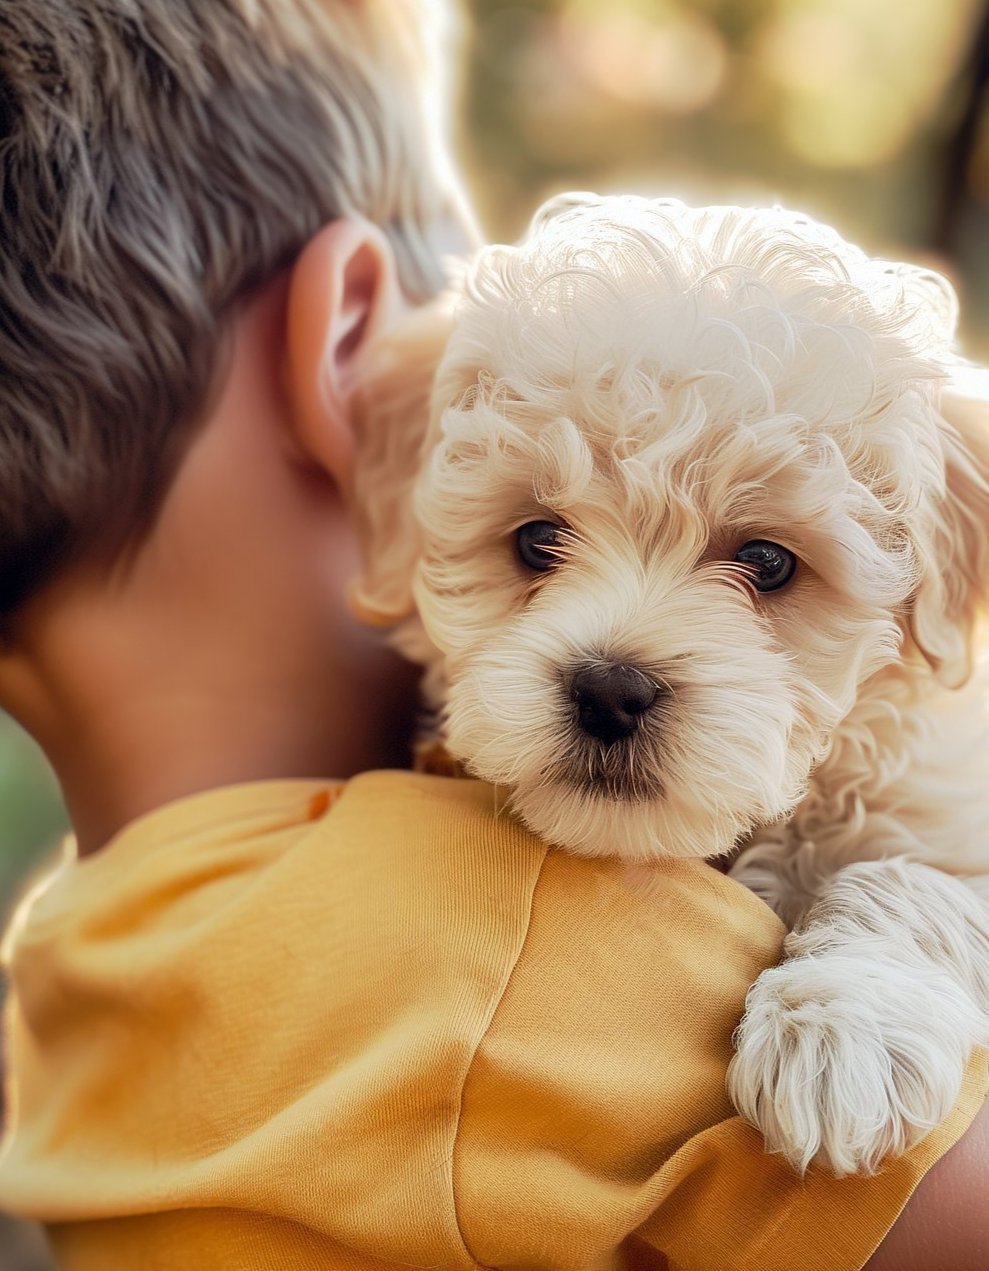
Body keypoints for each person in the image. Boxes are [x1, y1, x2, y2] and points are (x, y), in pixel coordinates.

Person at [0, 2, 985, 1268]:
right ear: (393, 460)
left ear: (924, 582)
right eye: (537, 545)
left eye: (761, 563)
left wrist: (896, 937)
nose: (615, 656)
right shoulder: (493, 945)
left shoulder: (73, 953)